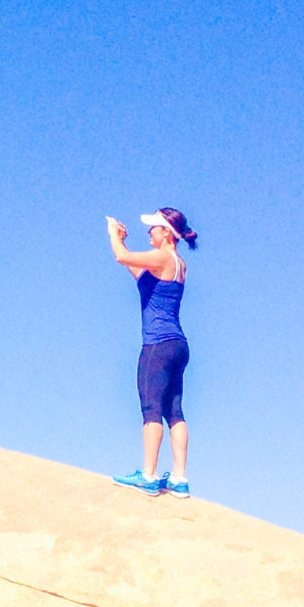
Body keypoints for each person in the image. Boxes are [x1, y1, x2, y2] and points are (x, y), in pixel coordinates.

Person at [107, 208, 198, 497]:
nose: (149, 232)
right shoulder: (177, 263)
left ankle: (148, 475)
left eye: (153, 228)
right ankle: (179, 479)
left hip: (157, 345)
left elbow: (122, 257)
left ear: (166, 233)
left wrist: (113, 236)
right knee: (175, 411)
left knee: (151, 409)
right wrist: (122, 241)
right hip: (178, 345)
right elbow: (138, 273)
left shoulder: (162, 257)